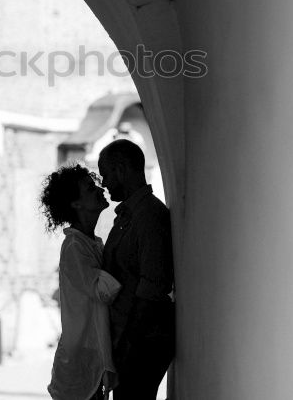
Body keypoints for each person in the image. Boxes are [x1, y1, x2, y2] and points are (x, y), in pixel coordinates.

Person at [98, 139, 175, 400]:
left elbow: (153, 286)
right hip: (127, 341)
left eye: (106, 173)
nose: (104, 182)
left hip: (141, 345)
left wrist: (128, 345)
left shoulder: (149, 216)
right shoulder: (127, 216)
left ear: (120, 169)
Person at [41, 164, 121, 400]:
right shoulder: (75, 247)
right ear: (75, 204)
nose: (99, 189)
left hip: (89, 356)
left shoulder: (92, 242)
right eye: (89, 188)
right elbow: (103, 290)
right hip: (81, 360)